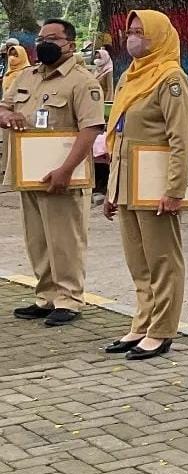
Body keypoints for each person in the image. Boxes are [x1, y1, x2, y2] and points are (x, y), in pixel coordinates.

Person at [0, 20, 105, 325]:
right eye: (41, 38)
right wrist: (9, 116)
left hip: (64, 176)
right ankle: (45, 296)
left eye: (53, 39)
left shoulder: (83, 82)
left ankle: (69, 299)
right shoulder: (26, 76)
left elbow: (90, 129)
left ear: (70, 45)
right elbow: (2, 108)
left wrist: (66, 170)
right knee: (38, 239)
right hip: (29, 173)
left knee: (65, 241)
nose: (44, 43)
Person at [103, 11, 188, 360]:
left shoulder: (171, 79)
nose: (133, 37)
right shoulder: (131, 76)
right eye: (131, 31)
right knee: (138, 263)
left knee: (162, 261)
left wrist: (174, 190)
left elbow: (180, 139)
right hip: (128, 186)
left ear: (159, 36)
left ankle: (162, 329)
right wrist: (112, 191)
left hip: (156, 188)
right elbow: (120, 136)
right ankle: (141, 324)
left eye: (141, 31)